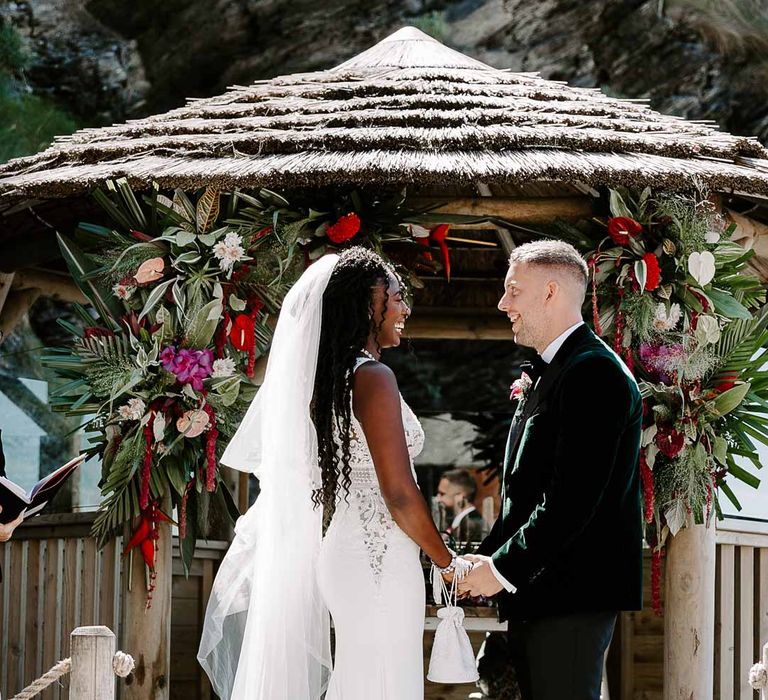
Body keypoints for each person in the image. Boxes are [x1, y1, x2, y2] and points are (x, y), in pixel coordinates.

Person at [199, 247, 464, 700]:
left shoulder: (333, 380)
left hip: (351, 553)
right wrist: (447, 561)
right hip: (377, 562)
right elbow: (399, 493)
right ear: (367, 304)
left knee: (367, 679)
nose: (405, 308)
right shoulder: (373, 378)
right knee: (381, 682)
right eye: (396, 296)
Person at [458, 240, 643, 700]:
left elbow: (571, 501)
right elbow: (527, 492)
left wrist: (499, 570)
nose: (503, 304)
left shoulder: (593, 373)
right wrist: (481, 561)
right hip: (544, 593)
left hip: (573, 595)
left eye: (513, 291)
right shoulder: (556, 370)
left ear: (551, 292)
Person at [436, 468, 486, 544]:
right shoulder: (462, 522)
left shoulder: (471, 524)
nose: (438, 499)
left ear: (460, 496)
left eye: (442, 494)